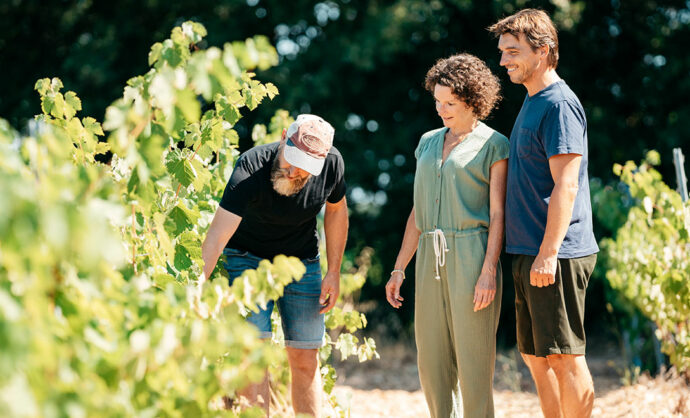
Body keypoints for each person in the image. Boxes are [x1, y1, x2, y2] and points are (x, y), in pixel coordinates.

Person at [489, 9, 600, 418]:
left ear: (544, 51)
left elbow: (566, 185)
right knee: (536, 356)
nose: (504, 61)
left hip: (556, 254)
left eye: (513, 51)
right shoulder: (533, 101)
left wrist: (549, 253)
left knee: (565, 356)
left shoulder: (559, 105)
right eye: (502, 52)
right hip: (527, 250)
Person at [385, 53, 508, 417]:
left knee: (473, 366)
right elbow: (417, 212)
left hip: (472, 256)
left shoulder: (493, 144)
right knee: (432, 363)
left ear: (473, 100)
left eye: (450, 103)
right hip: (428, 258)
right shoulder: (426, 142)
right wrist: (398, 268)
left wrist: (488, 271)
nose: (441, 109)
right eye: (437, 101)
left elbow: (498, 214)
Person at [201, 114, 348, 417]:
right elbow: (216, 237)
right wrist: (198, 289)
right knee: (252, 356)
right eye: (291, 160)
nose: (294, 172)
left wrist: (333, 272)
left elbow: (336, 212)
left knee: (306, 357)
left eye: (304, 168)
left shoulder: (332, 164)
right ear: (283, 136)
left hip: (302, 262)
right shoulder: (250, 167)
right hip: (247, 260)